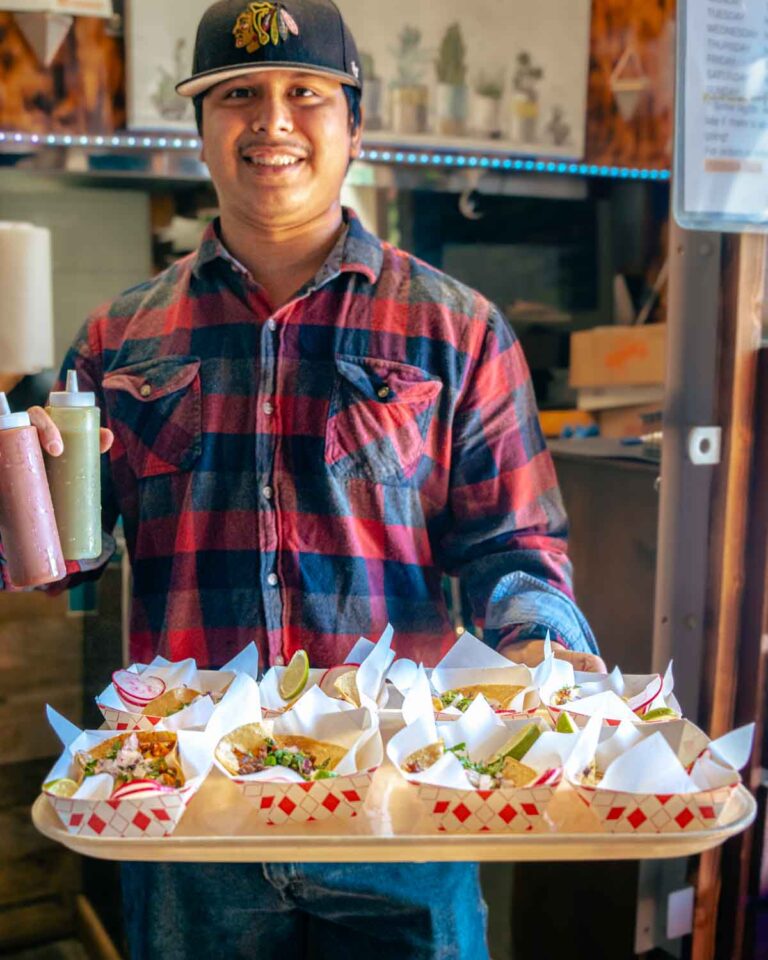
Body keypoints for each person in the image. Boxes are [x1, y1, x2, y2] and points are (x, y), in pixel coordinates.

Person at [8, 1, 606, 957]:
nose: (273, 119)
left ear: (354, 126)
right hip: (190, 818)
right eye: (238, 94)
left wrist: (541, 646)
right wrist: (19, 490)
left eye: (306, 94)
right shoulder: (119, 339)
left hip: (400, 815)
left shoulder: (457, 329)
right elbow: (66, 562)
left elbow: (512, 544)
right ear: (199, 130)